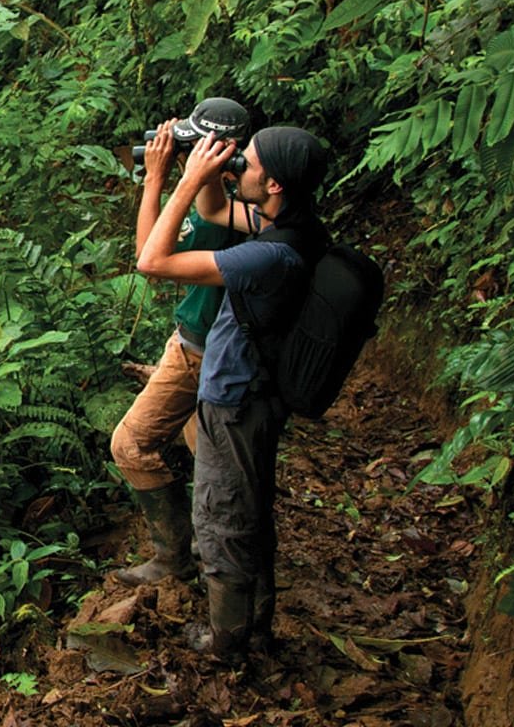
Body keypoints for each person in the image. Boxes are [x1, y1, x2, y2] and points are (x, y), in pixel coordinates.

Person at [136, 124, 330, 658]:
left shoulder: (270, 255)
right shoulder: (292, 225)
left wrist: (172, 181)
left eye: (249, 161)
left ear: (274, 186)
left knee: (221, 518)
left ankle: (227, 642)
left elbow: (152, 261)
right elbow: (219, 211)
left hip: (237, 397)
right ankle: (255, 627)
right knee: (246, 511)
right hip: (257, 391)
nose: (240, 162)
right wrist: (205, 173)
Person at [109, 99, 247, 585]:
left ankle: (174, 559)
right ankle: (215, 551)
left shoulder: (219, 216)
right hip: (202, 347)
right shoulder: (239, 202)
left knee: (129, 445)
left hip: (200, 352)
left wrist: (157, 179)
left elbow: (148, 256)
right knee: (208, 457)